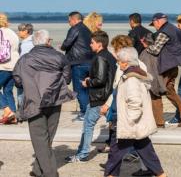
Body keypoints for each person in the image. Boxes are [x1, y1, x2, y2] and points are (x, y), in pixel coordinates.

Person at [13, 30, 75, 177]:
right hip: (54, 100)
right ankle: (37, 169)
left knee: (39, 138)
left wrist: (28, 84)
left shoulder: (25, 59)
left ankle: (50, 173)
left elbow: (17, 79)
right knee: (47, 137)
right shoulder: (60, 57)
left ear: (35, 42)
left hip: (34, 101)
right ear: (48, 41)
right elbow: (67, 79)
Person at [104, 47, 166, 177]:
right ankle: (161, 175)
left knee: (115, 153)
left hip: (130, 124)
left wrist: (129, 121)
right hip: (135, 125)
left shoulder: (131, 79)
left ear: (126, 62)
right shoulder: (135, 74)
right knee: (146, 151)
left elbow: (135, 102)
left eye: (119, 61)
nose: (118, 63)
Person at [65, 30, 116, 163]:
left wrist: (87, 82)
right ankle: (130, 150)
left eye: (92, 42)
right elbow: (104, 76)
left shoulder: (100, 57)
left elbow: (100, 80)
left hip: (99, 97)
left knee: (88, 125)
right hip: (105, 96)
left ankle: (82, 154)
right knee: (116, 123)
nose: (90, 44)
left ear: (99, 44)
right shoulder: (108, 56)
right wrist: (91, 77)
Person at [141, 12, 181, 127]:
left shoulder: (165, 31)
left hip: (167, 66)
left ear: (157, 21)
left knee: (155, 90)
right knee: (169, 91)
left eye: (154, 24)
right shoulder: (174, 29)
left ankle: (158, 122)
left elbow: (155, 49)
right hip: (173, 66)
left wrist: (146, 46)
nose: (154, 27)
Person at [61, 11, 94, 121]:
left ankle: (84, 113)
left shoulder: (74, 28)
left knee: (79, 90)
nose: (68, 22)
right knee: (87, 89)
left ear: (74, 19)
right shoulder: (86, 29)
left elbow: (66, 44)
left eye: (69, 20)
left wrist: (62, 47)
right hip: (89, 62)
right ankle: (88, 111)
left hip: (78, 63)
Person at [139, 33, 167, 128]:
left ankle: (157, 122)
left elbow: (142, 67)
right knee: (157, 100)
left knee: (152, 101)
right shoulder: (158, 52)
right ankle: (159, 121)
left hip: (150, 80)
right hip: (158, 78)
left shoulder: (145, 53)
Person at [0, 13, 19, 124]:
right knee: (7, 90)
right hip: (14, 66)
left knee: (7, 90)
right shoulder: (12, 33)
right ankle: (14, 116)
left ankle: (7, 111)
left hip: (3, 66)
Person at [16, 23, 34, 111]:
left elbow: (22, 60)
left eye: (20, 31)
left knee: (21, 92)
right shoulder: (34, 41)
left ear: (26, 31)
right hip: (32, 72)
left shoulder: (27, 44)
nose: (18, 32)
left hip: (25, 71)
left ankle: (21, 112)